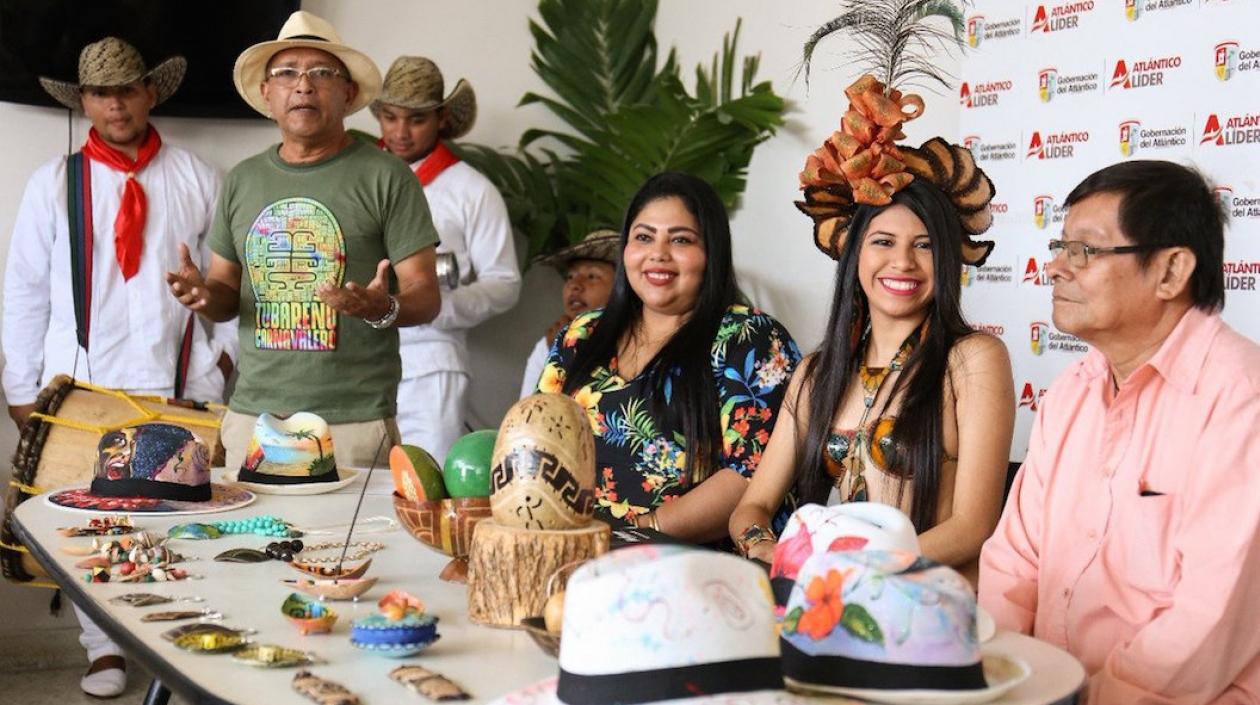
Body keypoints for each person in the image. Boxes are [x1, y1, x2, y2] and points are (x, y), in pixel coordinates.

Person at [979, 160, 1260, 703]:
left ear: (1171, 271)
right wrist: (1000, 679)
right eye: (1060, 246)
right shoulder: (1070, 393)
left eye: (1085, 250)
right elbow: (1014, 561)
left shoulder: (1240, 399)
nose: (1056, 268)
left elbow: (1209, 614)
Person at [2, 37, 232, 698]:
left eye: (127, 88)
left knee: (180, 519)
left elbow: (230, 280)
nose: (116, 103)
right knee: (88, 517)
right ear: (84, 102)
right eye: (101, 93)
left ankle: (174, 644)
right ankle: (104, 647)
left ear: (150, 92)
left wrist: (222, 356)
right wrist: (23, 389)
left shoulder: (198, 177)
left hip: (180, 378)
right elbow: (24, 289)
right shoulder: (55, 181)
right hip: (85, 384)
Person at [729, 74, 1014, 584]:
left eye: (924, 245)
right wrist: (764, 547)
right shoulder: (819, 371)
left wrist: (855, 572)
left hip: (929, 605)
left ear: (947, 260)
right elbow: (752, 505)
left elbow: (973, 526)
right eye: (883, 242)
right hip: (829, 597)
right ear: (853, 254)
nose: (902, 262)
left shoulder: (973, 358)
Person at [166, 11, 441, 470]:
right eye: (287, 73)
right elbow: (225, 296)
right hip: (254, 415)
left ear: (348, 93)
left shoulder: (386, 176)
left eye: (321, 73)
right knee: (245, 544)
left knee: (353, 546)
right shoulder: (242, 180)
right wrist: (201, 295)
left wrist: (381, 307)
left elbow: (426, 296)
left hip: (352, 422)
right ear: (266, 94)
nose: (304, 85)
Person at [537, 172, 800, 543]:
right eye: (643, 237)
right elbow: (535, 446)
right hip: (575, 554)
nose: (657, 254)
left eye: (680, 240)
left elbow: (752, 475)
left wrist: (635, 535)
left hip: (697, 569)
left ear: (711, 252)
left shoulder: (750, 339)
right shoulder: (581, 335)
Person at [372, 56, 520, 462]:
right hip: (355, 362)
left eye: (416, 120)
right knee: (349, 488)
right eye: (390, 116)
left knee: (425, 483)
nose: (400, 132)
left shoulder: (472, 189)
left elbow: (505, 282)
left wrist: (436, 307)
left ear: (440, 118)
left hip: (430, 362)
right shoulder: (358, 179)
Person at [518, 229, 618, 399]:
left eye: (592, 276)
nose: (574, 285)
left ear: (622, 287)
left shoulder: (638, 341)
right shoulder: (551, 343)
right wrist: (559, 357)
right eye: (570, 276)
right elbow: (527, 414)